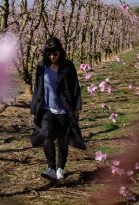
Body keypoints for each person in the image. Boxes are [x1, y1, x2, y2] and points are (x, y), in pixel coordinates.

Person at [30, 37, 86, 180]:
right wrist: (34, 109)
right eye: (49, 54)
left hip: (63, 108)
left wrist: (76, 108)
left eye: (55, 54)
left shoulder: (68, 66)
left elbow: (75, 87)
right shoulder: (41, 66)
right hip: (46, 108)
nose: (52, 57)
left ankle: (61, 168)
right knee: (46, 135)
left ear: (60, 52)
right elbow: (38, 88)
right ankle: (51, 168)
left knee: (62, 139)